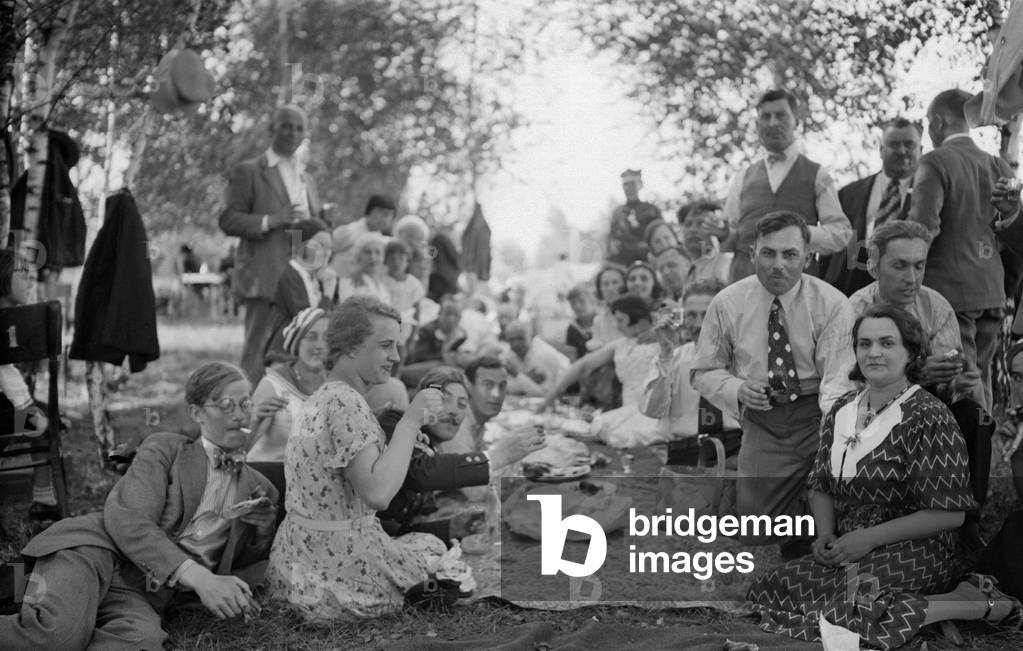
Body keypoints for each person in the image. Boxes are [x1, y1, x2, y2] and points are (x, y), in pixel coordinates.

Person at [748, 305, 1020, 650]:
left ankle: (966, 602)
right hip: (850, 547)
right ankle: (903, 610)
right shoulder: (842, 409)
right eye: (864, 344)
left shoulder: (928, 417)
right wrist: (827, 534)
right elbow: (820, 484)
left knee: (859, 601)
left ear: (911, 353)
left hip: (918, 547)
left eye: (887, 343)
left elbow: (950, 515)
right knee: (770, 586)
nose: (873, 352)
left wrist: (871, 538)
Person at [0, 362, 278, 649]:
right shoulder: (165, 449)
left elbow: (241, 566)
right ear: (197, 413)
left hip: (141, 594)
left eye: (245, 403)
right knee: (55, 635)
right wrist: (199, 578)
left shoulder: (260, 488)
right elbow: (128, 519)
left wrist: (261, 531)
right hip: (97, 553)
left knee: (141, 641)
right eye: (226, 405)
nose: (238, 414)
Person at [266, 296, 449, 621]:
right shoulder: (346, 403)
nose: (395, 356)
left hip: (294, 570)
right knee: (433, 548)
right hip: (339, 579)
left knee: (422, 545)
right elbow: (377, 495)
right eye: (385, 346)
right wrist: (409, 423)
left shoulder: (324, 395)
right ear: (351, 347)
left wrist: (392, 441)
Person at [691, 211, 856, 557]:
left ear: (808, 258)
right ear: (752, 254)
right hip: (762, 418)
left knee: (840, 501)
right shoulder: (727, 304)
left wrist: (831, 444)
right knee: (754, 528)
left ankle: (812, 544)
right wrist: (738, 389)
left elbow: (838, 382)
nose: (778, 264)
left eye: (790, 254)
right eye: (768, 253)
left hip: (817, 415)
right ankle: (789, 525)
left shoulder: (832, 305)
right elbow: (702, 371)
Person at [848, 220, 994, 550]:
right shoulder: (854, 310)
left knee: (974, 416)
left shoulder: (935, 305)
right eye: (899, 265)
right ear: (874, 264)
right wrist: (913, 375)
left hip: (931, 409)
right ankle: (884, 522)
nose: (911, 278)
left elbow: (949, 382)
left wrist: (957, 378)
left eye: (919, 265)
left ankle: (967, 521)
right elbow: (845, 391)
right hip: (870, 415)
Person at [907, 88, 1023, 411]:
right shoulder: (999, 165)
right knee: (979, 378)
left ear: (939, 122)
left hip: (949, 297)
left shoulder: (935, 161)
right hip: (992, 293)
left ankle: (967, 458)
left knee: (962, 386)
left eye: (930, 123)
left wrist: (900, 275)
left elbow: (922, 228)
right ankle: (981, 456)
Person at [220, 105, 327, 383]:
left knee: (298, 348)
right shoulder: (249, 172)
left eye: (300, 128)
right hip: (265, 277)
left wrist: (322, 219)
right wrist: (272, 220)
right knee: (258, 349)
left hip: (304, 280)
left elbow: (312, 227)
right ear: (271, 129)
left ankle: (288, 415)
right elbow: (228, 219)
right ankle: (247, 414)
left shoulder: (307, 178)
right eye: (286, 126)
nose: (293, 133)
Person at [375, 367, 544, 542]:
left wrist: (452, 527)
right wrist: (497, 456)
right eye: (444, 399)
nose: (453, 411)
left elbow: (399, 531)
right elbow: (420, 472)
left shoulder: (431, 449)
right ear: (422, 399)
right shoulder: (393, 421)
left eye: (462, 404)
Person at [721, 89, 852, 282]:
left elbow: (842, 233)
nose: (773, 123)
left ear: (795, 121)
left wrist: (803, 233)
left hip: (796, 288)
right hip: (744, 287)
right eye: (766, 117)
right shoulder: (743, 177)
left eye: (780, 115)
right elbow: (730, 236)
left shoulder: (817, 174)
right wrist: (721, 235)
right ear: (758, 125)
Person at [540, 294, 662, 447]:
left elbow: (677, 322)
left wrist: (657, 331)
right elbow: (583, 364)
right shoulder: (620, 344)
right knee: (593, 427)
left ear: (638, 319)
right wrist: (550, 396)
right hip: (626, 409)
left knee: (605, 428)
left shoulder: (663, 340)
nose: (618, 326)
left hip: (651, 409)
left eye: (621, 321)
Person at [823, 117, 921, 296]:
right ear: (881, 150)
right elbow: (829, 247)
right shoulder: (848, 193)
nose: (901, 151)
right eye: (894, 144)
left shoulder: (930, 195)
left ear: (920, 150)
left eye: (909, 144)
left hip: (904, 292)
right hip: (849, 290)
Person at [642, 278, 741, 449]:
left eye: (707, 315)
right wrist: (666, 352)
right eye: (691, 315)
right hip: (684, 451)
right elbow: (653, 411)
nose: (698, 324)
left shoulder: (744, 358)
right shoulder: (672, 358)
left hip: (734, 449)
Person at [247, 308, 329, 505]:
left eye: (326, 338)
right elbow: (240, 447)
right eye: (310, 337)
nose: (318, 345)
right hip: (270, 483)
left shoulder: (334, 384)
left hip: (317, 486)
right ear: (296, 341)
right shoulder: (273, 385)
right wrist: (253, 419)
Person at [0, 249, 55, 525]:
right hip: (4, 412)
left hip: (5, 407)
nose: (30, 282)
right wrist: (30, 410)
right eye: (23, 275)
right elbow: (3, 371)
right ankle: (44, 502)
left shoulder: (11, 319)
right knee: (40, 420)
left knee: (46, 416)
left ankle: (44, 499)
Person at [263, 220, 332, 363]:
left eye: (329, 248)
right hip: (284, 355)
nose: (326, 253)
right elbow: (308, 321)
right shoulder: (290, 274)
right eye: (320, 245)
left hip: (306, 352)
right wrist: (328, 295)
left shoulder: (314, 278)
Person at [330, 194, 396, 279]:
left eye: (389, 215)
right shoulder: (349, 231)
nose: (385, 218)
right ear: (369, 212)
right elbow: (328, 253)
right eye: (381, 212)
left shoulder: (383, 242)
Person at [607, 169, 663, 266]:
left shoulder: (651, 210)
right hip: (623, 264)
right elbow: (611, 241)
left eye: (632, 183)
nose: (628, 188)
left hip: (649, 263)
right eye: (625, 184)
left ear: (640, 184)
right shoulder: (618, 212)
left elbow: (661, 237)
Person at [502, 320, 570, 397]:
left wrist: (516, 375)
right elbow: (506, 389)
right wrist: (527, 380)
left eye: (520, 338)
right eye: (511, 340)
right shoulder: (509, 355)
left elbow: (545, 394)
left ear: (531, 337)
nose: (515, 344)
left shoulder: (544, 354)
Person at [382, 239, 426, 347]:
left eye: (401, 258)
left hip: (405, 332)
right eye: (392, 259)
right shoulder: (381, 281)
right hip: (384, 332)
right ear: (385, 261)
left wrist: (412, 339)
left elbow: (417, 313)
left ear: (407, 261)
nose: (396, 263)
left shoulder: (413, 284)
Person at [336, 231, 392, 306]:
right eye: (368, 252)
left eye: (378, 252)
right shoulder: (349, 281)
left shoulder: (383, 286)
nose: (373, 258)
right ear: (359, 256)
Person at [392, 214, 431, 286]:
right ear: (399, 233)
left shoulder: (421, 260)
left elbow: (422, 288)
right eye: (410, 236)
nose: (413, 242)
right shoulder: (387, 252)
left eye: (418, 239)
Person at [565, 283, 596, 360]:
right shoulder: (572, 328)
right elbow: (572, 357)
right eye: (573, 303)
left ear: (591, 300)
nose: (577, 306)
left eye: (581, 301)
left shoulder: (603, 319)